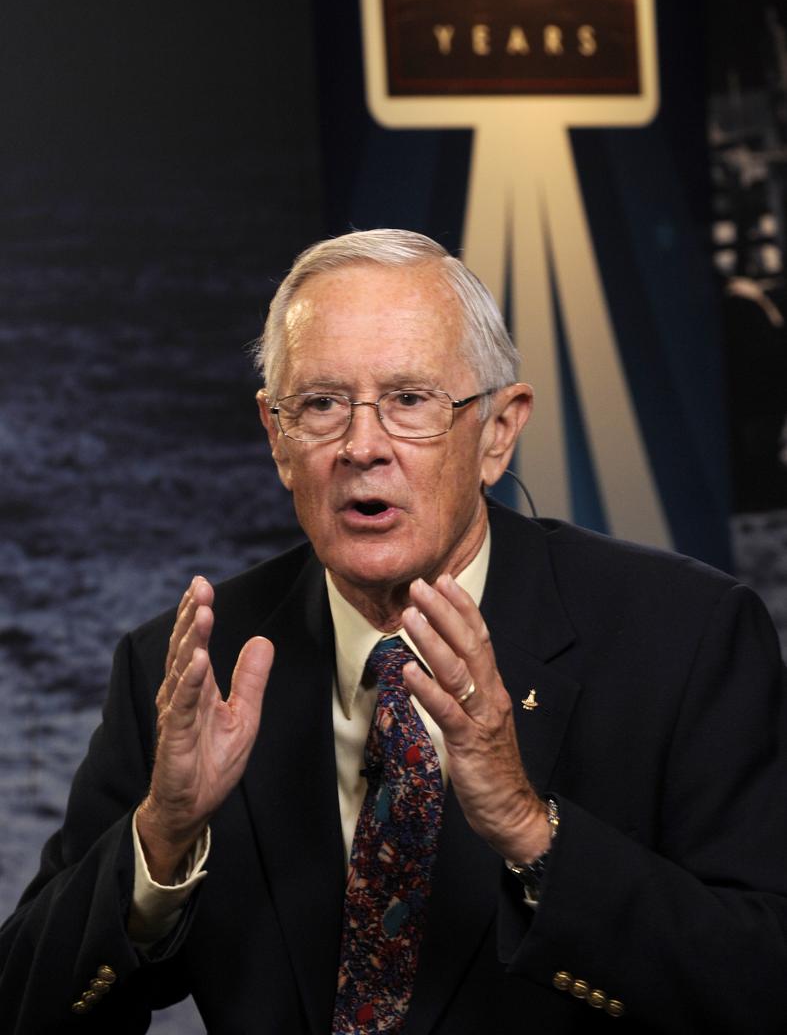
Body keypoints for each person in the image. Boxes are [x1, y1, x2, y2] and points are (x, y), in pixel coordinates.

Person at [2, 228, 786, 1034]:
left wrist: (529, 830)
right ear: (277, 439)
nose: (361, 446)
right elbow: (24, 1008)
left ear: (497, 432)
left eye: (409, 400)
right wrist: (160, 842)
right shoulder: (186, 666)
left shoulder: (686, 640)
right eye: (320, 405)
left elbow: (761, 990)